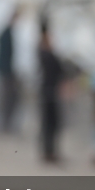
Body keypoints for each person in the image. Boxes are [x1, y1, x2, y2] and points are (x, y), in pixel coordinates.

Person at [38, 22, 64, 163]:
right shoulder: (44, 53)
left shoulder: (45, 53)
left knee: (52, 124)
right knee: (49, 124)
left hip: (51, 91)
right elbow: (58, 69)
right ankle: (48, 152)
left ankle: (51, 151)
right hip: (48, 92)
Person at [0, 7, 20, 133]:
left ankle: (6, 125)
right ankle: (5, 125)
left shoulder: (7, 32)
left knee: (8, 98)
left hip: (6, 71)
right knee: (6, 99)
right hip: (5, 71)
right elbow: (5, 55)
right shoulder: (6, 33)